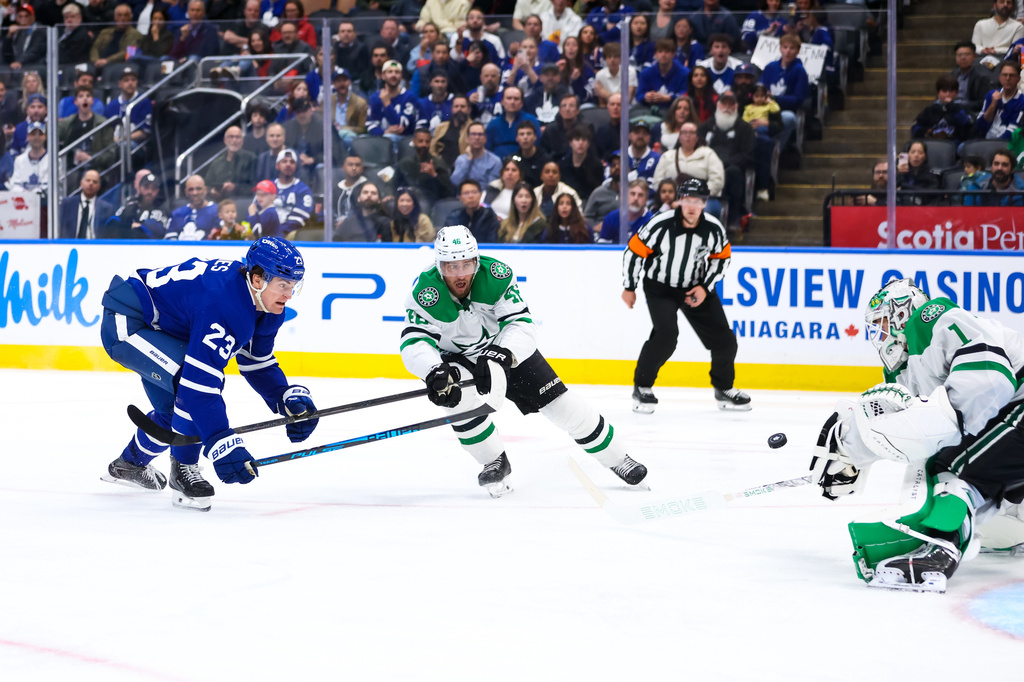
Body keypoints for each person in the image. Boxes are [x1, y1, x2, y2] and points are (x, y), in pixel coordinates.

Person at [399, 225, 649, 498]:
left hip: (504, 349)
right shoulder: (425, 292)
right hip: (456, 357)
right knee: (458, 402)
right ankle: (494, 460)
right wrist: (433, 369)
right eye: (451, 267)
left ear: (477, 260)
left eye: (466, 265)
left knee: (561, 405)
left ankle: (619, 459)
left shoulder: (496, 275)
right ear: (439, 265)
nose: (460, 275)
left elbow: (521, 323)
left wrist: (504, 353)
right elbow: (414, 342)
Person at [810, 277, 1024, 591]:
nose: (880, 335)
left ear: (901, 313)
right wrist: (852, 455)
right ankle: (1015, 524)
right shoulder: (910, 370)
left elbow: (989, 381)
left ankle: (940, 549)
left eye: (882, 323)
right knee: (953, 464)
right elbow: (918, 431)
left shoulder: (933, 320)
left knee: (948, 468)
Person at [98, 237, 318, 511]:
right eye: (283, 285)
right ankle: (184, 471)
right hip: (128, 321)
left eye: (294, 285)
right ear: (258, 279)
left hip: (163, 326)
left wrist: (282, 396)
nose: (289, 294)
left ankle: (128, 465)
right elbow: (197, 386)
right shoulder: (224, 303)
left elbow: (256, 361)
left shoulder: (266, 307)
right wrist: (221, 441)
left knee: (177, 413)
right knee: (188, 386)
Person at [621, 178, 750, 413]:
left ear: (705, 204)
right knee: (666, 335)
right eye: (688, 200)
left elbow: (722, 259)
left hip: (695, 288)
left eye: (698, 201)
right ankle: (643, 387)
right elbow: (634, 252)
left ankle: (724, 389)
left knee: (725, 339)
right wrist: (629, 286)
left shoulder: (713, 228)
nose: (692, 206)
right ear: (680, 201)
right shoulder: (660, 224)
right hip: (660, 287)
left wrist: (704, 287)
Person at [698, 91, 755, 231]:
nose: (727, 107)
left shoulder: (745, 128)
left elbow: (748, 155)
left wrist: (724, 164)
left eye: (731, 103)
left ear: (736, 106)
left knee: (734, 173)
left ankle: (733, 219)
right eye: (724, 103)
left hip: (731, 167)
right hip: (705, 167)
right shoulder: (705, 126)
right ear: (718, 105)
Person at [758, 33, 808, 154]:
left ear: (798, 50)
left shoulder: (799, 71)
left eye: (792, 48)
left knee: (789, 118)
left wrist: (775, 98)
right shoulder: (770, 67)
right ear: (780, 48)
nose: (788, 51)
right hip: (764, 108)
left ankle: (774, 152)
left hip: (783, 111)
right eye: (785, 47)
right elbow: (760, 88)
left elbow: (798, 99)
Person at [395, 127, 456, 206]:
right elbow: (393, 183)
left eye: (427, 142)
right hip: (407, 199)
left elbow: (450, 191)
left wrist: (434, 175)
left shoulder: (438, 163)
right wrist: (389, 195)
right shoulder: (405, 163)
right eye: (420, 141)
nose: (424, 145)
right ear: (414, 142)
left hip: (430, 201)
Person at [367, 60, 420, 141]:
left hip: (404, 140)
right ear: (383, 76)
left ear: (401, 76)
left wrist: (387, 104)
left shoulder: (409, 97)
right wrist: (385, 132)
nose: (393, 75)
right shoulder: (375, 98)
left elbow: (401, 126)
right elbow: (370, 125)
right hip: (381, 139)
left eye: (397, 72)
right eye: (390, 72)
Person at [107, 170, 169, 239]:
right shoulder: (130, 205)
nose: (149, 191)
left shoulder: (162, 208)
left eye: (153, 188)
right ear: (139, 188)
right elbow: (113, 224)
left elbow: (155, 231)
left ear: (157, 191)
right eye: (146, 187)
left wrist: (131, 227)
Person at [636, 39, 691, 115]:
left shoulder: (685, 73)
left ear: (673, 54)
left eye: (667, 51)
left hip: (674, 110)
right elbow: (639, 95)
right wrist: (646, 96)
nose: (663, 55)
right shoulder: (646, 73)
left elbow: (687, 95)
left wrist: (669, 98)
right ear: (655, 54)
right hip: (649, 108)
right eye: (660, 51)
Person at [485, 86, 541, 160]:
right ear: (502, 102)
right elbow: (487, 149)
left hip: (525, 164)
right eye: (509, 98)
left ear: (522, 103)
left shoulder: (532, 121)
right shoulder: (493, 124)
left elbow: (536, 146)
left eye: (516, 99)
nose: (512, 102)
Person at [90, 3, 143, 81]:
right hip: (98, 64)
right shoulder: (105, 32)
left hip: (119, 66)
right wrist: (96, 60)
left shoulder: (136, 35)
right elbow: (95, 47)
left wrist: (107, 61)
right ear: (115, 17)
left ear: (131, 16)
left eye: (126, 15)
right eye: (119, 15)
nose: (122, 18)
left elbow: (128, 52)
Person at [59, 170, 116, 239]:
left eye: (94, 182)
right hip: (71, 246)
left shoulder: (107, 208)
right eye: (88, 180)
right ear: (81, 183)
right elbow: (61, 229)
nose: (91, 184)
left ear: (99, 186)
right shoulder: (68, 204)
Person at [976, 60, 1024, 141]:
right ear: (1000, 77)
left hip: (1007, 144)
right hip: (985, 140)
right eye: (1005, 75)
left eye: (1011, 75)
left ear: (1018, 79)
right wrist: (993, 104)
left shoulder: (1021, 101)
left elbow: (1013, 131)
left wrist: (994, 145)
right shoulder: (991, 95)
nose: (1008, 78)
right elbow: (981, 125)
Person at [207, 126, 257, 201]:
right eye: (231, 137)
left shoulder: (251, 159)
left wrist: (235, 188)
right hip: (220, 203)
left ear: (242, 140)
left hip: (243, 203)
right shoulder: (216, 163)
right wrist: (211, 191)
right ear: (225, 140)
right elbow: (206, 185)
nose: (234, 140)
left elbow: (255, 186)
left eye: (237, 137)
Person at [271, 148, 313, 236]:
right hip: (266, 231)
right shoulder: (268, 186)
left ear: (296, 166)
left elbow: (301, 217)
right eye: (284, 161)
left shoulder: (303, 189)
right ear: (277, 166)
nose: (288, 164)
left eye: (292, 162)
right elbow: (255, 209)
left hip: (288, 234)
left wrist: (278, 232)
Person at [597, 178, 652, 244]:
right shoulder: (610, 218)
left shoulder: (652, 221)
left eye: (640, 195)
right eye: (632, 193)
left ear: (646, 200)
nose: (636, 198)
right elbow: (603, 249)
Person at [166, 174, 219, 240]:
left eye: (198, 188)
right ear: (186, 192)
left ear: (205, 190)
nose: (195, 193)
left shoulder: (218, 211)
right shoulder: (177, 214)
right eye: (191, 189)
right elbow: (169, 242)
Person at [451, 121, 503, 187]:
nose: (477, 137)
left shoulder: (495, 161)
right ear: (467, 139)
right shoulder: (461, 160)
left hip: (485, 195)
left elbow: (492, 188)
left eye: (480, 134)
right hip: (464, 195)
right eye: (473, 134)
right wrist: (468, 160)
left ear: (485, 138)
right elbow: (455, 182)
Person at [557, 125, 603, 198]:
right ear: (570, 143)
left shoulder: (596, 166)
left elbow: (597, 192)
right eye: (577, 139)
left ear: (588, 144)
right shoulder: (562, 165)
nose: (580, 143)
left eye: (584, 139)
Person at [951, 42, 994, 113]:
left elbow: (982, 102)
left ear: (974, 57)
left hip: (970, 111)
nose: (963, 58)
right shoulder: (952, 75)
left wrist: (961, 105)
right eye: (959, 55)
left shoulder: (982, 76)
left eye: (967, 54)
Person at [584, 152, 624, 228]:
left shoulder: (634, 192)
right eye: (613, 165)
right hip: (601, 234)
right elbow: (587, 217)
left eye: (621, 164)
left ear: (628, 169)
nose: (617, 167)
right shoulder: (598, 192)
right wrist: (595, 226)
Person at [9, 121, 48, 195]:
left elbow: (51, 186)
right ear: (27, 136)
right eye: (33, 134)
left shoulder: (53, 160)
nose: (37, 137)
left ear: (45, 137)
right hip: (24, 203)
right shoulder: (19, 160)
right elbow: (14, 185)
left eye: (40, 134)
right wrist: (26, 194)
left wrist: (36, 194)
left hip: (46, 204)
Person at [330, 67, 368, 143]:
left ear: (349, 82)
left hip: (350, 137)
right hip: (332, 136)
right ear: (333, 83)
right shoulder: (326, 102)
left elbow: (362, 128)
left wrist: (343, 128)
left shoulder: (360, 103)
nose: (342, 84)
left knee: (346, 137)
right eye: (338, 81)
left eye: (344, 80)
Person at [895, 140, 939, 205]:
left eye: (920, 153)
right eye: (912, 152)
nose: (916, 155)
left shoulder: (931, 175)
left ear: (925, 156)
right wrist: (896, 173)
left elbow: (930, 193)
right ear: (908, 154)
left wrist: (903, 187)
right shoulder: (898, 172)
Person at [594, 42, 637, 107]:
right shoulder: (600, 75)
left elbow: (627, 100)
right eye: (609, 57)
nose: (612, 60)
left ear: (621, 58)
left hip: (629, 109)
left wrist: (607, 95)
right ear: (605, 59)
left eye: (616, 57)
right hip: (609, 110)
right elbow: (602, 104)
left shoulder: (630, 72)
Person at [514, 120, 551, 187]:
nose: (525, 137)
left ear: (535, 137)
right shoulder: (514, 160)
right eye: (522, 134)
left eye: (529, 134)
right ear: (517, 138)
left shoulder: (545, 159)